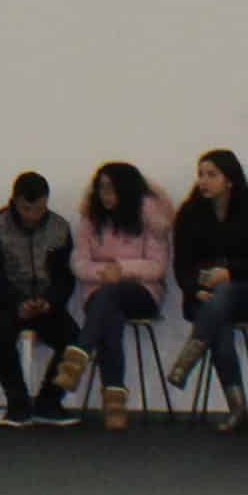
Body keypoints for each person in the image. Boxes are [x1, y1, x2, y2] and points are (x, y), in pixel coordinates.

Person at [164, 149, 248, 428]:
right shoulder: (189, 213)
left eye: (212, 175)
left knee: (223, 295)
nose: (203, 181)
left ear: (229, 179)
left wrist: (230, 273)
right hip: (203, 297)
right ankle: (238, 409)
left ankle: (188, 358)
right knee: (219, 323)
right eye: (201, 174)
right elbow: (181, 265)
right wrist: (194, 290)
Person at [0, 172, 85, 427]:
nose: (33, 215)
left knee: (75, 340)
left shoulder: (59, 227)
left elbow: (65, 277)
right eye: (27, 209)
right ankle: (17, 403)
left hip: (47, 304)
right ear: (15, 201)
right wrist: (18, 303)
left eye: (39, 208)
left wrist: (50, 301)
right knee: (0, 334)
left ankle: (49, 402)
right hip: (7, 302)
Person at [77, 162, 172, 431]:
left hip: (142, 292)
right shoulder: (91, 218)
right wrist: (102, 272)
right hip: (99, 290)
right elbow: (79, 263)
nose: (105, 195)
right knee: (109, 314)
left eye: (111, 189)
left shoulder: (149, 217)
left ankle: (81, 351)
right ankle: (114, 403)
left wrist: (121, 269)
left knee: (108, 298)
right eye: (101, 188)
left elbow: (157, 267)